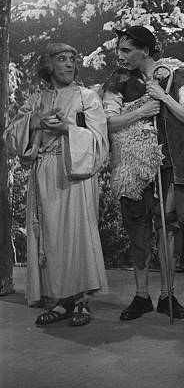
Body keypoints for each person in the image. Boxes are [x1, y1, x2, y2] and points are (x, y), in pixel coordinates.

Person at [4, 43, 109, 326]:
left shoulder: (87, 98)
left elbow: (100, 142)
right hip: (45, 172)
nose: (68, 64)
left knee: (78, 235)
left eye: (72, 59)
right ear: (48, 65)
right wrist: (35, 121)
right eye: (61, 59)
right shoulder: (36, 100)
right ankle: (61, 300)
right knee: (51, 236)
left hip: (76, 172)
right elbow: (11, 135)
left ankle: (81, 302)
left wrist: (67, 129)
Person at [102, 25, 184, 321]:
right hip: (133, 166)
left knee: (169, 225)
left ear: (145, 50)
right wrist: (141, 112)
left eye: (127, 50)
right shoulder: (117, 81)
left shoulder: (176, 76)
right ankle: (141, 295)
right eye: (119, 50)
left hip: (170, 163)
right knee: (137, 227)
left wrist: (164, 97)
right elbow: (108, 123)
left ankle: (168, 294)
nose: (121, 55)